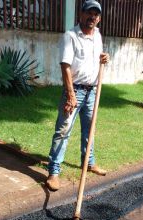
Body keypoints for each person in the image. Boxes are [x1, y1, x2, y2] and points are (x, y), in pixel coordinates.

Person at [46, 0, 110, 191]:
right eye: (89, 13)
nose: (93, 17)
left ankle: (89, 163)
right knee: (63, 131)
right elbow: (65, 66)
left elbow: (98, 58)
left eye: (96, 14)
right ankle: (54, 172)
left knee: (89, 129)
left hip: (92, 91)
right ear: (81, 14)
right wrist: (71, 95)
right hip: (74, 90)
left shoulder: (97, 35)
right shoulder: (71, 36)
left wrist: (105, 58)